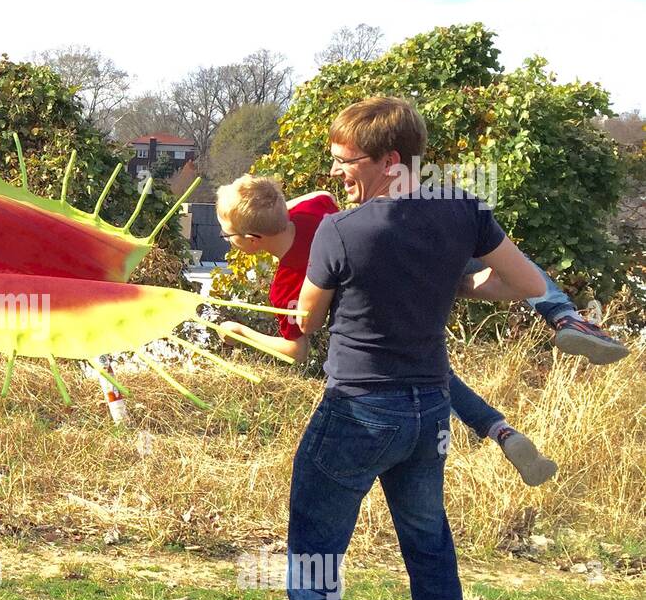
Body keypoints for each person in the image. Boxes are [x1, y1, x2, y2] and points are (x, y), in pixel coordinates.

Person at [238, 96, 552, 600]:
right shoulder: (461, 210)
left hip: (357, 408)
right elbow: (522, 284)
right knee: (431, 553)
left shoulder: (341, 233)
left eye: (346, 163)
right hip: (428, 408)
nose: (338, 175)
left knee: (315, 555)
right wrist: (455, 282)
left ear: (387, 161)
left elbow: (308, 323)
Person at [215, 173, 625, 484]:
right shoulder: (316, 207)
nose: (226, 238)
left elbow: (296, 350)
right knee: (502, 260)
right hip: (417, 261)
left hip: (381, 316)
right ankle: (562, 315)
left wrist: (239, 331)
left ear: (250, 240)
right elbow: (307, 201)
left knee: (432, 374)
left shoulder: (285, 284)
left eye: (227, 234)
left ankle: (497, 429)